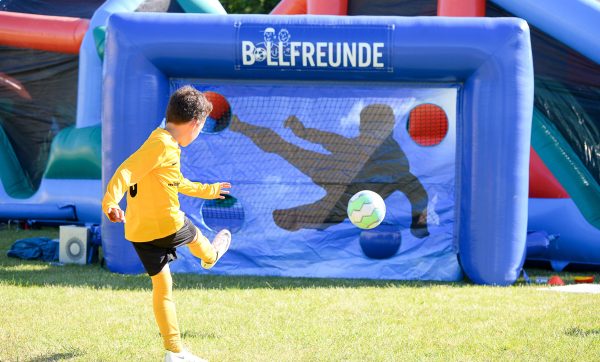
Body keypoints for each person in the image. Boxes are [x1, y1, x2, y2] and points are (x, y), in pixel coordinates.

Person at [102, 85, 232, 362]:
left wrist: (209, 190)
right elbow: (126, 170)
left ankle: (174, 353)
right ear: (195, 124)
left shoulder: (160, 142)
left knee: (163, 287)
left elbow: (176, 182)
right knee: (199, 240)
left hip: (139, 232)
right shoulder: (162, 145)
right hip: (168, 225)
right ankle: (212, 256)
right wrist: (110, 203)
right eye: (202, 128)